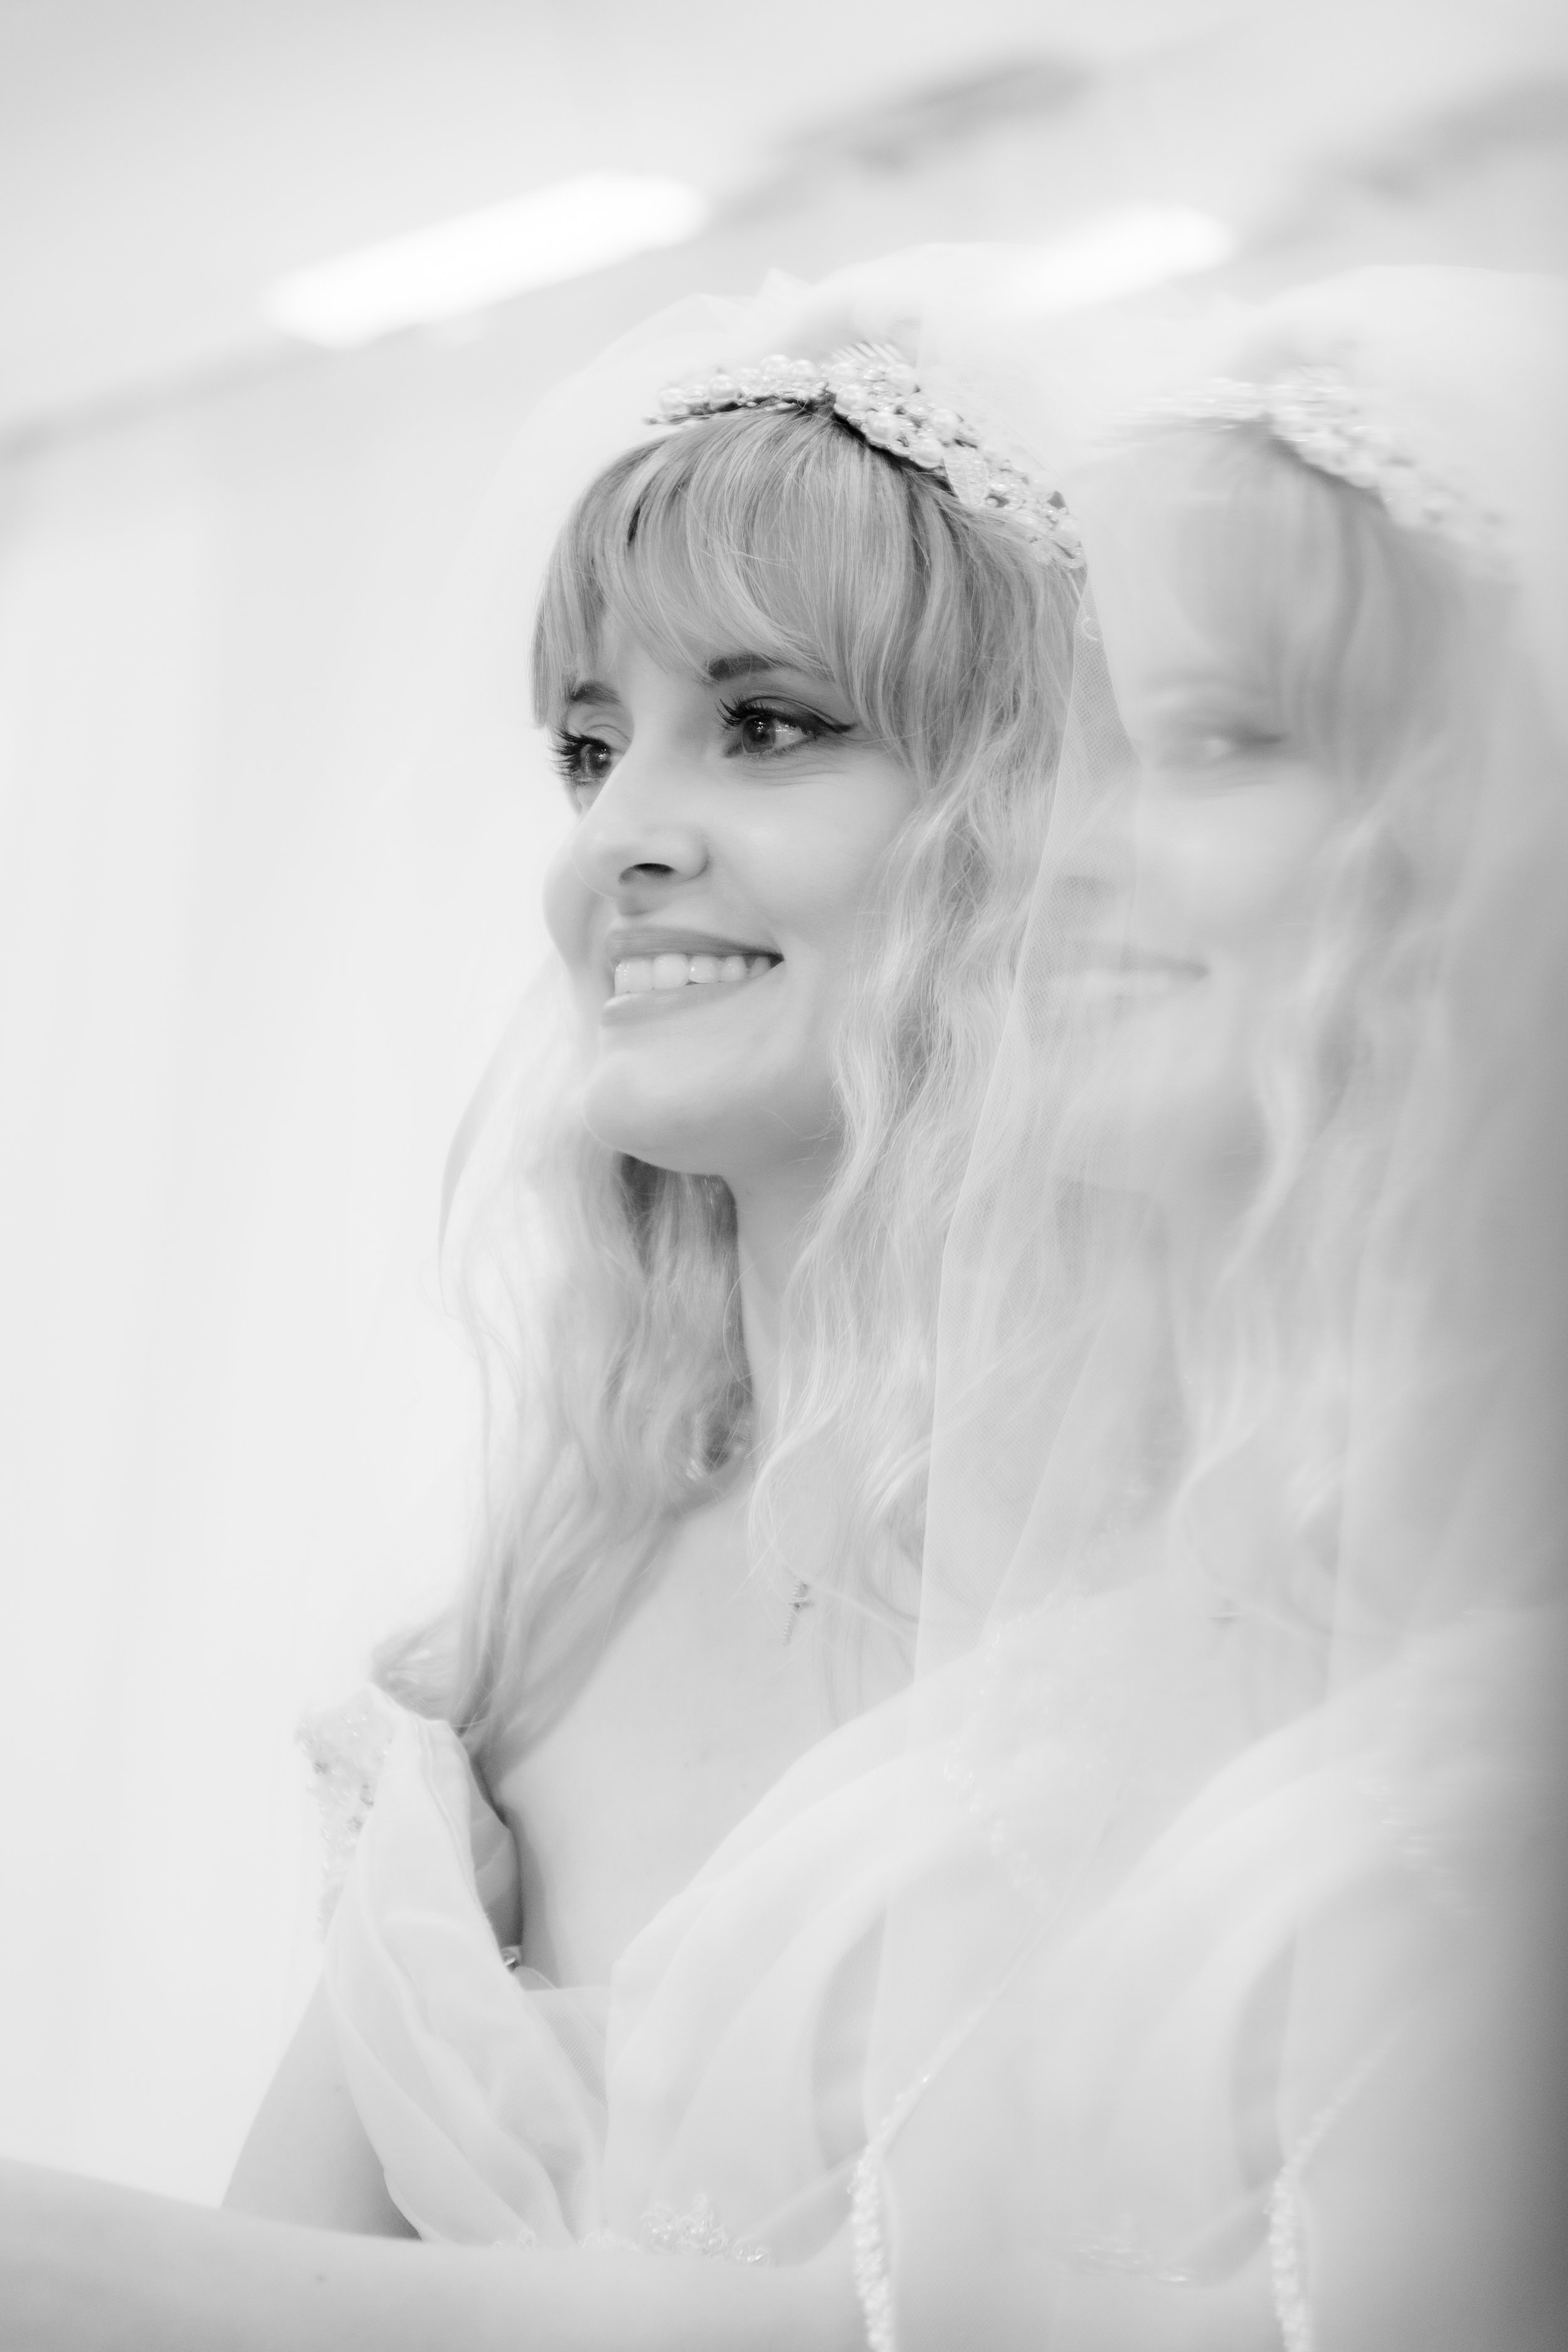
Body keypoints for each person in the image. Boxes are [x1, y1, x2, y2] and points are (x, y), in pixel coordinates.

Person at [3, 257, 1563, 2350]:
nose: (619, 844)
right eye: (586, 751)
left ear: (1017, 808)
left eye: (767, 727)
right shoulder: (553, 1586)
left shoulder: (1234, 1556)